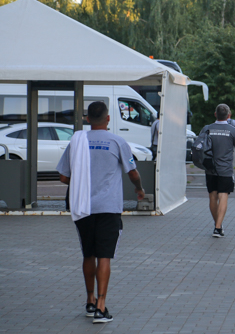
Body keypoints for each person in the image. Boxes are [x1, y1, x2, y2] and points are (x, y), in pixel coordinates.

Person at [57, 101, 145, 324]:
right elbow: (132, 172)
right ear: (107, 119)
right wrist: (139, 189)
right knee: (104, 256)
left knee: (88, 254)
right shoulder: (117, 141)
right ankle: (101, 307)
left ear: (88, 119)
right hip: (108, 207)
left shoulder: (76, 141)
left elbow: (64, 177)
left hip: (82, 207)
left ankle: (89, 300)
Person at [200, 104, 235, 238]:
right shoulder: (232, 130)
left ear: (215, 114)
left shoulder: (207, 129)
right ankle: (218, 227)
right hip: (225, 170)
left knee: (212, 197)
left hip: (210, 169)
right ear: (229, 115)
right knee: (223, 196)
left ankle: (217, 225)